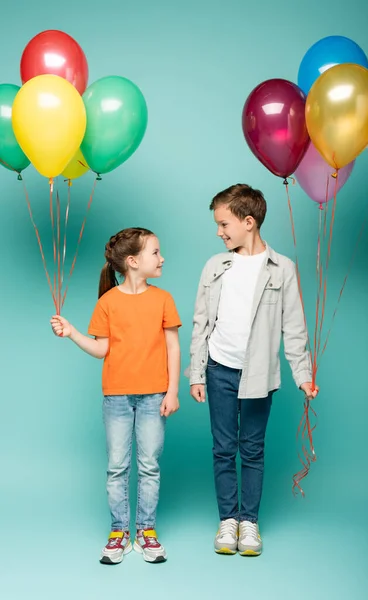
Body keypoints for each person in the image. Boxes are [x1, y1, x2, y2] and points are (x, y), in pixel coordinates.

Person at [188, 184, 319, 557]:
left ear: (249, 221)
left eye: (223, 224)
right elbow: (201, 323)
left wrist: (302, 375)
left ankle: (249, 523)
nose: (219, 232)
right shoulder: (216, 266)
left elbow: (294, 328)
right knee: (223, 448)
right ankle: (227, 520)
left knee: (253, 449)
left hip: (260, 374)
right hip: (219, 370)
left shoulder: (283, 269)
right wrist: (197, 372)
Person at [51, 227, 181, 565]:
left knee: (149, 466)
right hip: (117, 399)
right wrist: (73, 333)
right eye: (156, 252)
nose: (162, 257)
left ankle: (146, 532)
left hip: (154, 397)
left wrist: (172, 391)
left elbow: (173, 346)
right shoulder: (107, 302)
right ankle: (119, 531)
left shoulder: (163, 299)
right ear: (133, 261)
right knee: (117, 467)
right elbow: (101, 348)